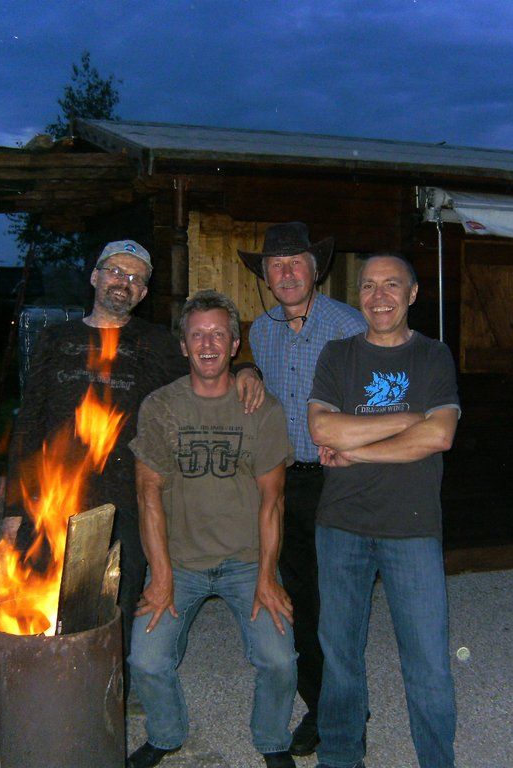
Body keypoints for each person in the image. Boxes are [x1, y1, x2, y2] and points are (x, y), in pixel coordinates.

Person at [3, 240, 264, 677]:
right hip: (52, 498)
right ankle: (49, 686)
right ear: (95, 276)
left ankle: (108, 692)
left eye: (135, 278)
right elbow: (28, 424)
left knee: (116, 607)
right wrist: (14, 508)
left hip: (126, 501)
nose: (123, 282)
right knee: (44, 600)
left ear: (142, 293)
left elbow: (208, 370)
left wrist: (247, 370)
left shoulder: (158, 344)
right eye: (115, 272)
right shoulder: (56, 339)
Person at [126, 290, 298, 768]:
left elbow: (273, 500)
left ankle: (272, 739)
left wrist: (267, 576)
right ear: (183, 345)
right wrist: (161, 576)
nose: (207, 345)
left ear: (234, 344)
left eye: (218, 334)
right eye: (197, 335)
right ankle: (166, 733)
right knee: (146, 659)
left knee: (279, 659)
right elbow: (147, 495)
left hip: (246, 560)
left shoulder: (262, 409)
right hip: (179, 561)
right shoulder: (161, 407)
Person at [308, 254, 461, 768]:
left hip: (412, 527)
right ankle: (340, 757)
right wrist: (407, 419)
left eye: (391, 285)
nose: (379, 297)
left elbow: (439, 435)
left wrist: (358, 452)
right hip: (341, 525)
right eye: (369, 286)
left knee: (428, 662)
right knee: (340, 656)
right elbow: (323, 429)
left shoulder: (433, 356)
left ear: (412, 294)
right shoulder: (338, 355)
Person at [238, 222, 366, 756]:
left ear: (316, 271)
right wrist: (247, 369)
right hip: (284, 481)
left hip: (338, 479)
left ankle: (347, 714)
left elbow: (377, 398)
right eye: (276, 265)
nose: (286, 273)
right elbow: (260, 382)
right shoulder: (263, 331)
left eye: (296, 263)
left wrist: (358, 449)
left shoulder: (349, 326)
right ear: (266, 277)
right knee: (300, 601)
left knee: (338, 603)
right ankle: (322, 704)